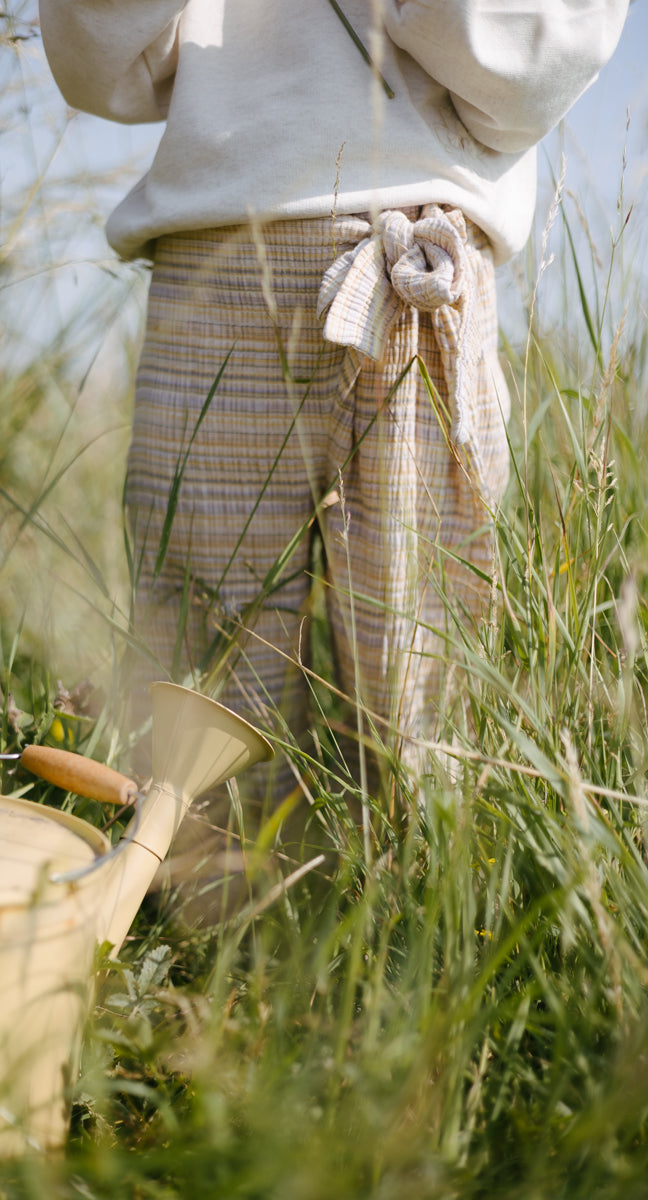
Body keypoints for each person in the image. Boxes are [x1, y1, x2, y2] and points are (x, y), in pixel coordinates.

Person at [38, 1, 629, 795]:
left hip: (414, 266)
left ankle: (414, 895)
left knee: (419, 678)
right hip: (216, 256)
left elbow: (539, 59)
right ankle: (200, 897)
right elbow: (95, 65)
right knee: (204, 677)